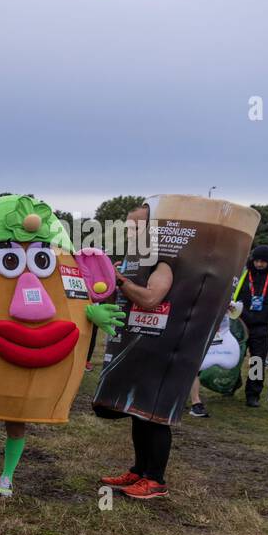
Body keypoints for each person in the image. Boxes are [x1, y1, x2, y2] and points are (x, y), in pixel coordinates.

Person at [97, 205, 175, 499]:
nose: (130, 232)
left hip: (157, 347)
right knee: (136, 411)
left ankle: (155, 480)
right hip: (133, 344)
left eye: (137, 227)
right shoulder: (134, 260)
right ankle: (139, 470)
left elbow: (151, 299)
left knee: (153, 414)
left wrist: (119, 279)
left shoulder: (163, 262)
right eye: (128, 226)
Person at [233, 244, 268, 407]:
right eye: (256, 261)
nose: (259, 264)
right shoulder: (243, 272)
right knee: (234, 357)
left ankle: (253, 395)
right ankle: (231, 384)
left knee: (257, 360)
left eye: (263, 262)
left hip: (262, 325)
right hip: (240, 322)